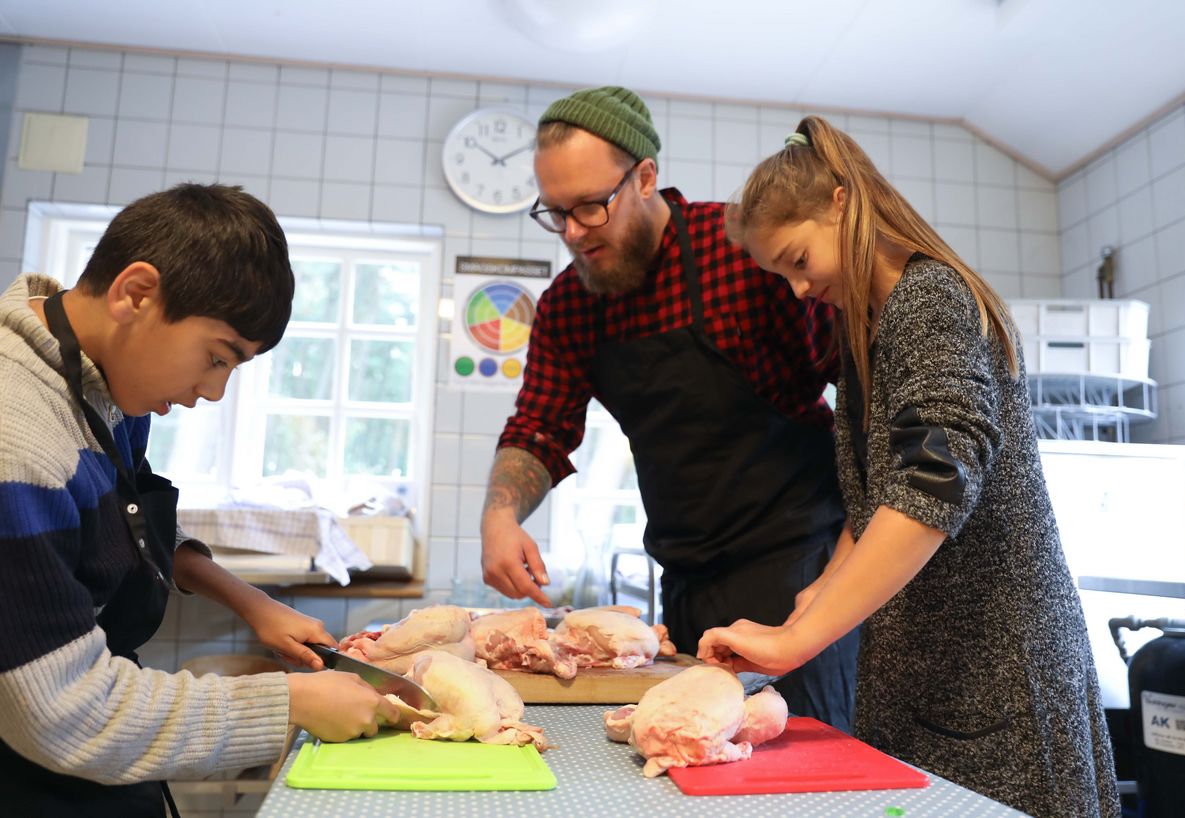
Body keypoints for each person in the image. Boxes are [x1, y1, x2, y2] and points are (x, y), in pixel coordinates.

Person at [698, 118, 1119, 817]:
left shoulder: (930, 299)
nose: (799, 290)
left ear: (841, 203)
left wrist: (803, 638)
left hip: (994, 678)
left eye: (799, 261)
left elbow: (937, 473)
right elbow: (881, 501)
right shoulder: (870, 325)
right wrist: (822, 596)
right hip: (932, 676)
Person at [0, 183, 400, 817]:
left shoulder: (99, 381)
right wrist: (289, 702)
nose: (212, 393)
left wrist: (251, 602)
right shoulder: (14, 436)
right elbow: (63, 713)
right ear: (135, 293)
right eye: (217, 358)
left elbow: (128, 522)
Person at [478, 86, 858, 728]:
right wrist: (500, 513)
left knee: (792, 768)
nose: (573, 233)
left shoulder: (743, 251)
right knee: (689, 752)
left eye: (591, 207)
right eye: (556, 213)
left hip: (798, 568)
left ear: (645, 177)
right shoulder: (570, 307)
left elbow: (857, 387)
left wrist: (859, 547)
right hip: (685, 578)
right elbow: (540, 426)